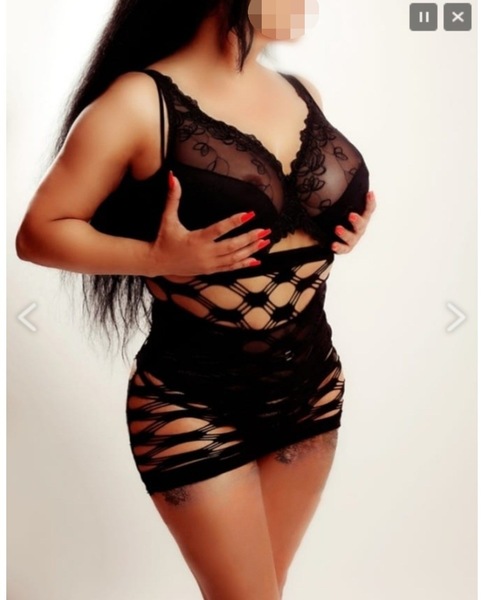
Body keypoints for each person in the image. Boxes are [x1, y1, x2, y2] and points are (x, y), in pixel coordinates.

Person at [15, 1, 376, 598]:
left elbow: (298, 224)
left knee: (265, 590)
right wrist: (157, 258)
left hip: (311, 386)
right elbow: (38, 233)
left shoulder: (300, 92)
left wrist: (341, 227)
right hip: (192, 401)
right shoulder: (140, 102)